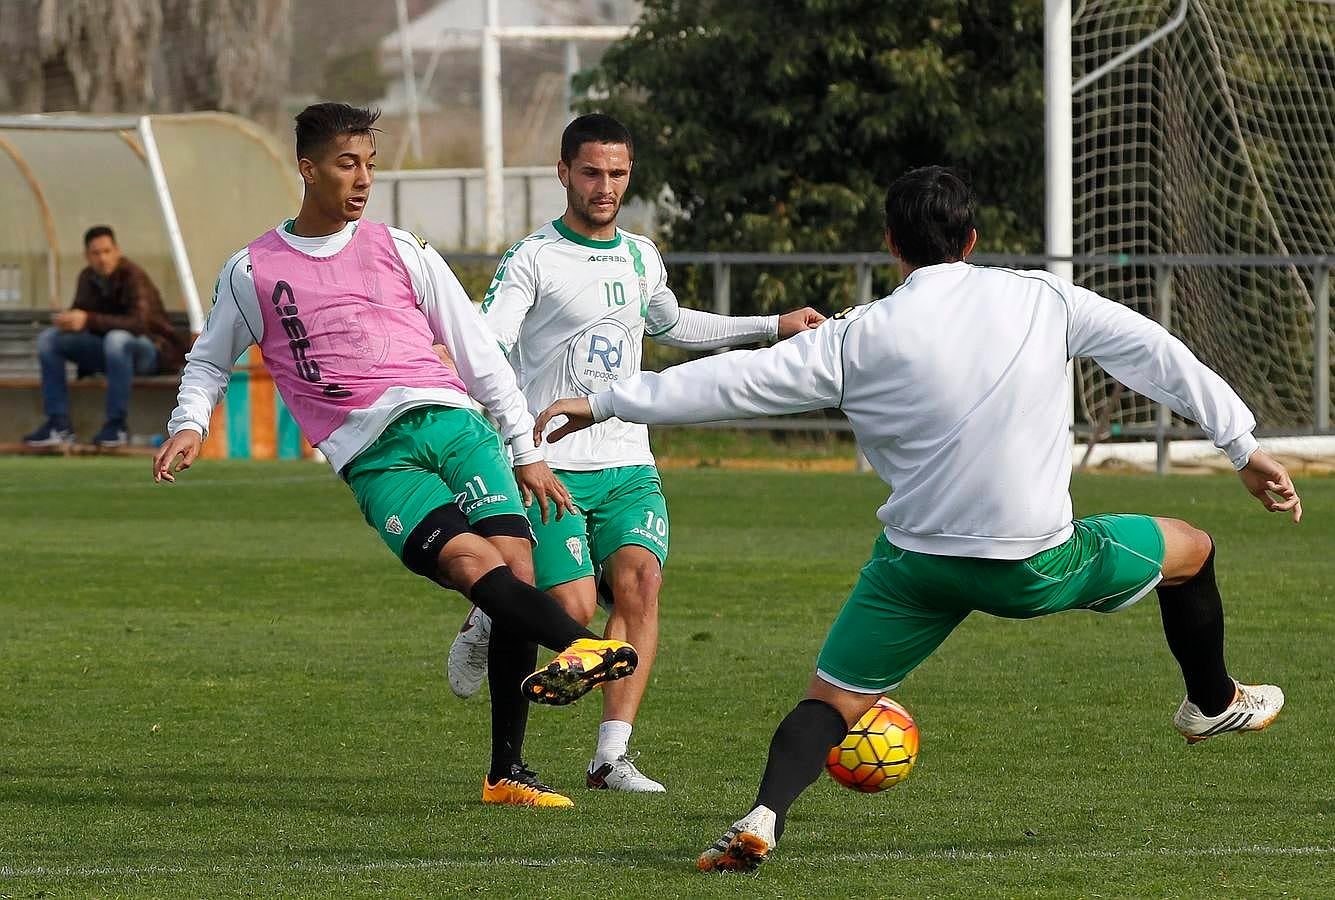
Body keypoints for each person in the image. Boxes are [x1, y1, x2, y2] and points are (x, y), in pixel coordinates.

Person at [534, 165, 1301, 870]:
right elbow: (1155, 352)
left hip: (916, 568)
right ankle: (1211, 704)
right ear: (970, 240)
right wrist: (1240, 445)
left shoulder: (855, 335)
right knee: (1191, 548)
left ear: (891, 244)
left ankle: (764, 815)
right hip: (1033, 562)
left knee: (827, 704)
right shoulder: (1041, 298)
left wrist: (602, 399)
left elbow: (733, 383)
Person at [152, 102, 639, 809]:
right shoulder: (253, 270)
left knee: (517, 569)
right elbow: (205, 361)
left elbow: (477, 351)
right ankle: (580, 643)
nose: (362, 180)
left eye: (371, 166)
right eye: (348, 164)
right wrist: (190, 422)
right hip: (376, 456)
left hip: (454, 424)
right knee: (474, 566)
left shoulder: (402, 248)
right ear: (308, 167)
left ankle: (507, 773)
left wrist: (522, 447)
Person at [445, 113, 826, 793]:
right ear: (563, 173)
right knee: (569, 612)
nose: (604, 186)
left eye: (617, 174)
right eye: (591, 172)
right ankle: (494, 606)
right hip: (549, 462)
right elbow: (489, 340)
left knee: (641, 585)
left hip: (628, 460)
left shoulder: (640, 253)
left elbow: (672, 322)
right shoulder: (532, 257)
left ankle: (609, 757)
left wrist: (772, 325)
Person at [24, 226, 188, 448]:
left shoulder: (134, 276)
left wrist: (88, 319)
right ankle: (58, 424)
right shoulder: (87, 277)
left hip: (151, 353)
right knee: (50, 339)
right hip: (109, 354)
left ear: (117, 250)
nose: (102, 258)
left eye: (107, 251)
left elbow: (139, 323)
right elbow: (82, 319)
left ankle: (116, 426)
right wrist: (71, 322)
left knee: (116, 339)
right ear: (87, 256)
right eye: (96, 253)